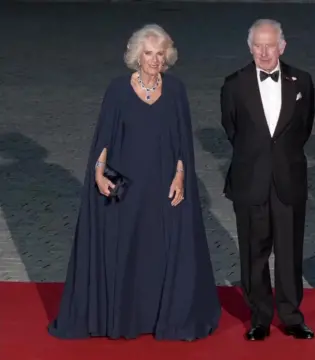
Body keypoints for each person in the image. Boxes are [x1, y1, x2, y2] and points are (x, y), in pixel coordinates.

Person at [48, 24, 221, 341]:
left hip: (163, 186)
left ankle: (161, 318)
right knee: (128, 251)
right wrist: (98, 174)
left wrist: (181, 178)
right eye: (148, 54)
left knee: (160, 253)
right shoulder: (117, 90)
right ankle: (124, 317)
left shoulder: (176, 91)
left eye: (159, 54)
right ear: (136, 56)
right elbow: (104, 138)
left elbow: (183, 143)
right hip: (128, 188)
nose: (154, 60)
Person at [220, 19, 315, 341]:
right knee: (253, 253)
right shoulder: (234, 84)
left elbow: (303, 129)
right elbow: (233, 130)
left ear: (282, 47)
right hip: (251, 182)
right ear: (250, 48)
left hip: (288, 180)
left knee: (290, 253)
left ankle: (291, 316)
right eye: (257, 45)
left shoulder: (302, 81)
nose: (263, 51)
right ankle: (259, 317)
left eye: (269, 45)